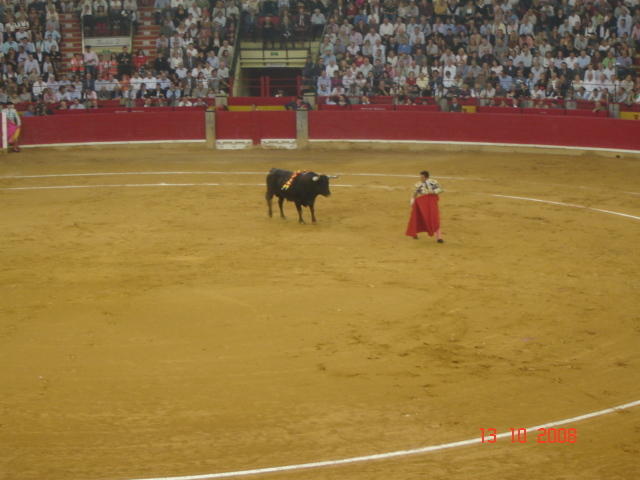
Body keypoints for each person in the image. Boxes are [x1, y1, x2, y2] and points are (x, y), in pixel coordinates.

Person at [406, 170, 444, 243]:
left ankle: (439, 238)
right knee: (419, 218)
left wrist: (434, 192)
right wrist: (412, 200)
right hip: (422, 205)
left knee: (434, 219)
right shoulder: (418, 184)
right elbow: (414, 193)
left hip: (431, 204)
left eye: (422, 177)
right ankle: (415, 234)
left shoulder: (433, 182)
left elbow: (441, 189)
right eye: (420, 177)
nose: (421, 178)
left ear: (426, 177)